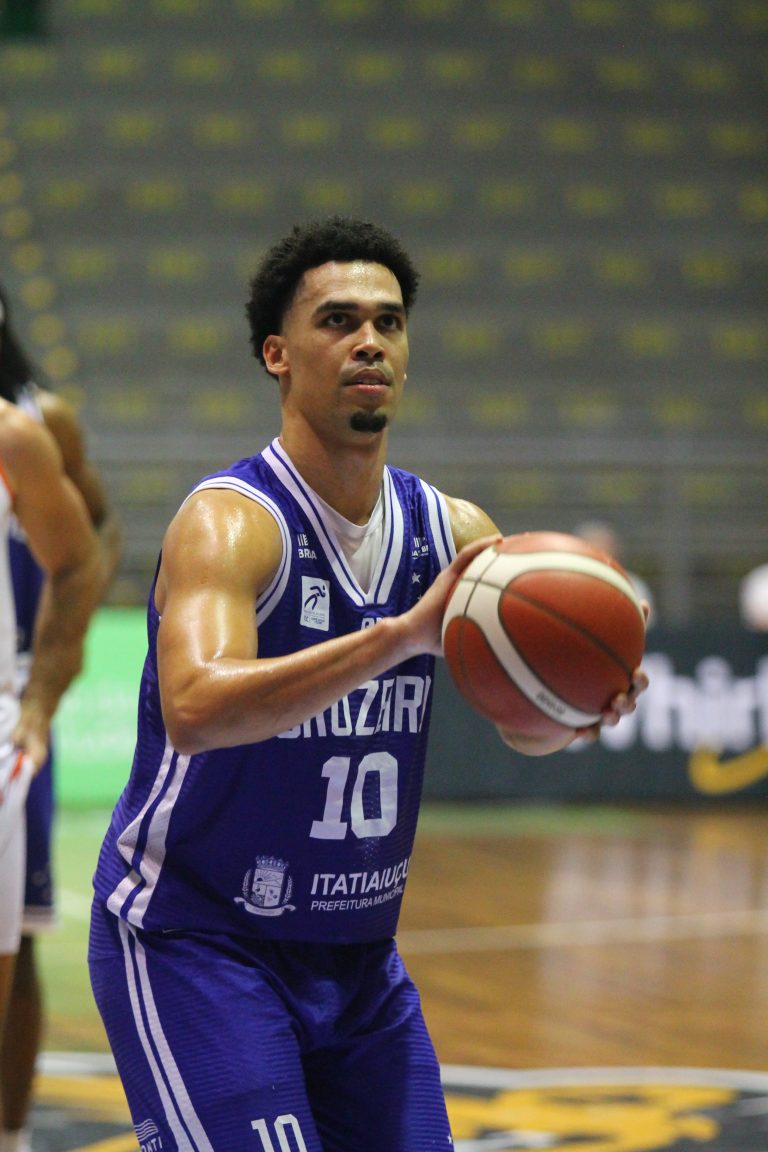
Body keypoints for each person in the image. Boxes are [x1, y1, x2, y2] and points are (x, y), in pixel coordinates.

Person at [88, 216, 648, 1152]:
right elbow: (193, 709)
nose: (369, 342)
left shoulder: (455, 532)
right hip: (196, 941)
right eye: (338, 321)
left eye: (388, 323)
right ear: (277, 353)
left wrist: (577, 707)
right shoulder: (232, 523)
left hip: (357, 959)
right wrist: (398, 638)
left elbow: (522, 731)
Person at [0, 287, 121, 1152]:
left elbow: (91, 546)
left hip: (9, 693)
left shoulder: (38, 427)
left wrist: (46, 678)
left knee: (24, 937)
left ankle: (10, 1131)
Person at [573, 518, 657, 627]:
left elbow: (646, 628)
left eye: (605, 545)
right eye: (593, 546)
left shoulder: (634, 585)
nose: (600, 551)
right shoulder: (566, 584)